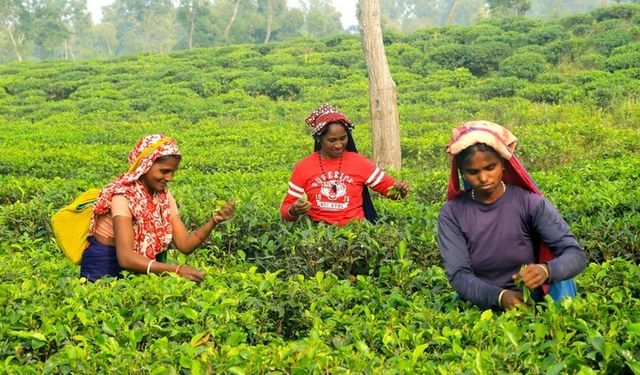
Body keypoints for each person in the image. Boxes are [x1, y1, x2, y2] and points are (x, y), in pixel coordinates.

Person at [437, 121, 587, 310]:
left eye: (490, 167)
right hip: (482, 307)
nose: (483, 178)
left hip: (536, 304)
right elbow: (458, 275)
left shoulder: (530, 204)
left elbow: (575, 255)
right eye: (473, 172)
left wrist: (545, 270)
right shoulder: (452, 213)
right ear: (462, 173)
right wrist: (500, 297)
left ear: (503, 164)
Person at [80, 134, 236, 282]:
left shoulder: (163, 196)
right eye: (164, 171)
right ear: (145, 165)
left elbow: (184, 244)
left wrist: (214, 221)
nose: (169, 178)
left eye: (173, 172)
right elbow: (126, 257)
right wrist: (176, 270)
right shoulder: (123, 195)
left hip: (140, 262)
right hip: (103, 264)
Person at [280, 103, 410, 226]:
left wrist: (400, 190)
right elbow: (286, 211)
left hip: (355, 233)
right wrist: (294, 210)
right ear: (319, 139)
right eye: (332, 140)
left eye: (343, 138)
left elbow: (392, 193)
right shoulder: (303, 167)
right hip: (318, 233)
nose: (338, 145)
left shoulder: (360, 163)